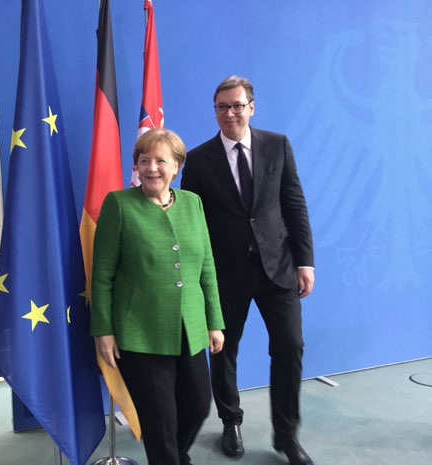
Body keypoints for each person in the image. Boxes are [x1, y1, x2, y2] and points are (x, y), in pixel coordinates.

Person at [181, 76, 315, 465]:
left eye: (237, 105)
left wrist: (305, 260)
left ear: (251, 107)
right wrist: (197, 277)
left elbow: (294, 203)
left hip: (278, 267)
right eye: (222, 107)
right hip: (224, 273)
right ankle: (230, 422)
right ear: (215, 111)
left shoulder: (278, 145)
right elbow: (193, 223)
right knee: (224, 350)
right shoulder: (199, 159)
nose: (230, 113)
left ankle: (286, 435)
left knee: (290, 346)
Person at [91, 128, 225, 465]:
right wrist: (103, 331)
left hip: (190, 328)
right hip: (140, 333)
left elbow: (207, 267)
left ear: (176, 166)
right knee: (160, 423)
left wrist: (214, 322)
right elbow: (102, 274)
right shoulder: (118, 204)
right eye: (144, 160)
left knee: (198, 406)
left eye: (161, 161)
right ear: (135, 165)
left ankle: (173, 457)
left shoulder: (192, 203)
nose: (151, 168)